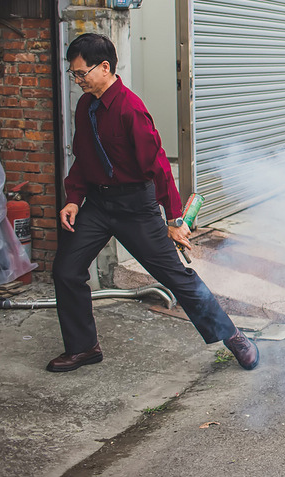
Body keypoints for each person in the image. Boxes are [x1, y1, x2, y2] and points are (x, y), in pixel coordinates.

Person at [48, 33, 258, 373]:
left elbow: (158, 167)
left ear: (104, 67)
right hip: (99, 205)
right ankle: (83, 347)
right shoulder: (85, 106)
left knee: (176, 276)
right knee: (66, 271)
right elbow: (84, 157)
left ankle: (233, 336)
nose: (77, 80)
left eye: (81, 73)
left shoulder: (131, 109)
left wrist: (175, 219)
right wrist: (74, 198)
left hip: (136, 207)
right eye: (73, 74)